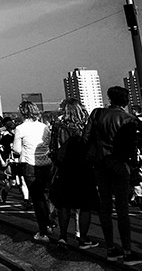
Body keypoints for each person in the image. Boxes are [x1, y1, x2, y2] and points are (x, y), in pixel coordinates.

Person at [83, 86, 142, 264]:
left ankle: (110, 248)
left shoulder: (97, 114)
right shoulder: (129, 119)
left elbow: (85, 138)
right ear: (126, 101)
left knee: (105, 206)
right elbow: (137, 143)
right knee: (122, 209)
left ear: (110, 98)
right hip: (121, 164)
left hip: (100, 164)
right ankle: (127, 250)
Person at [48, 98, 99, 249]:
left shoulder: (58, 125)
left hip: (64, 169)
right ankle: (82, 238)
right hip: (84, 169)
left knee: (64, 205)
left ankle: (63, 237)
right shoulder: (86, 125)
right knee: (84, 206)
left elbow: (52, 148)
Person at [13, 100, 52, 243]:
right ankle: (50, 222)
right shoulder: (44, 127)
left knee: (37, 199)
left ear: (23, 112)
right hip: (46, 163)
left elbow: (16, 149)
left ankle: (43, 231)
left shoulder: (20, 128)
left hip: (30, 164)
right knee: (46, 195)